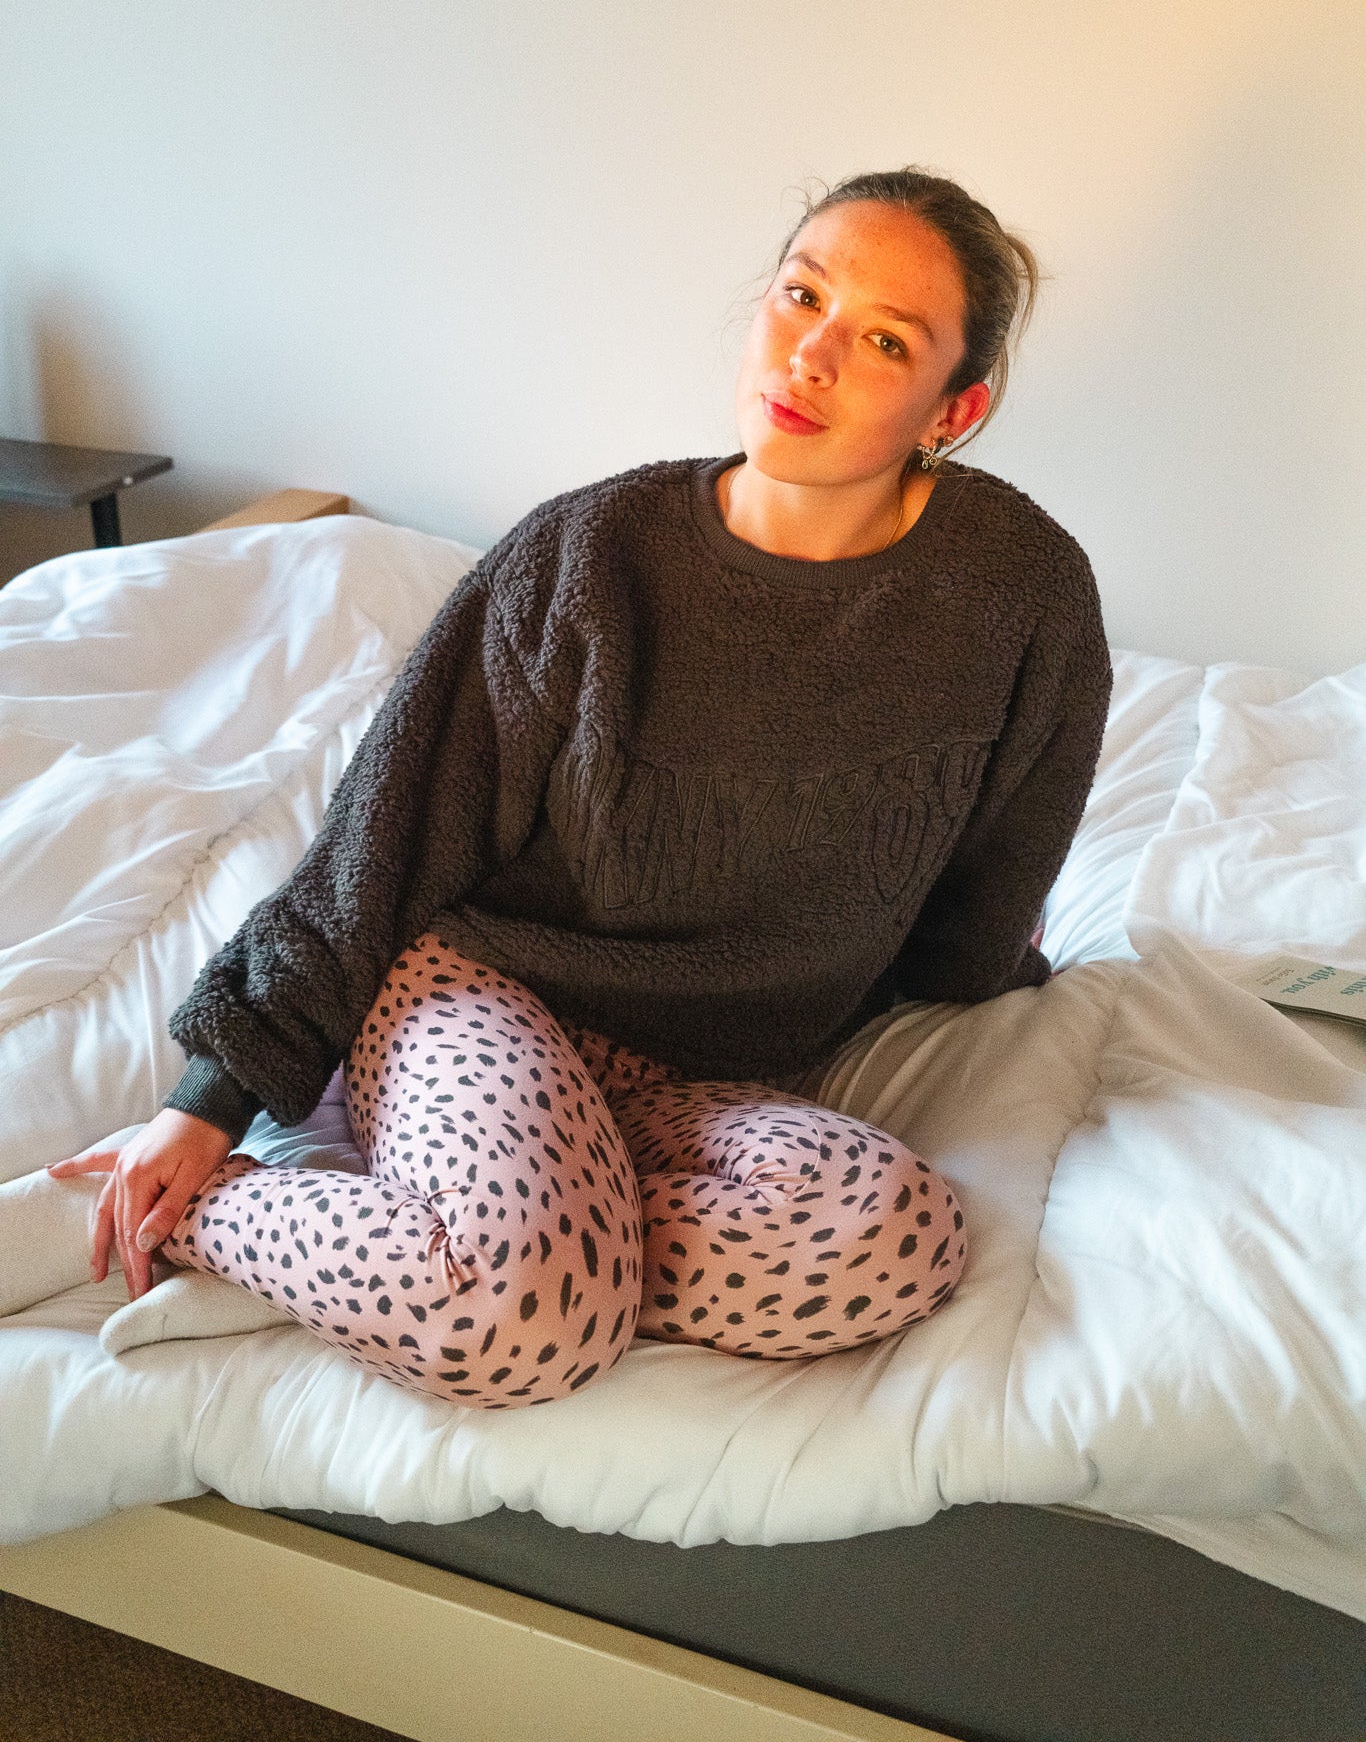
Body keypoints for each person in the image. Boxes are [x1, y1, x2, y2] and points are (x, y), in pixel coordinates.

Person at [48, 166, 1112, 1410]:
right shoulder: (588, 556)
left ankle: (470, 1245)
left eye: (884, 340)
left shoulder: (1018, 594)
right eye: (801, 294)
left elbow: (992, 877)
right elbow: (383, 837)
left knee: (892, 1240)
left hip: (709, 1074)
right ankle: (212, 1218)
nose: (811, 354)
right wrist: (212, 1099)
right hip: (488, 991)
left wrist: (984, 978)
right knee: (517, 1325)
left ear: (954, 407)